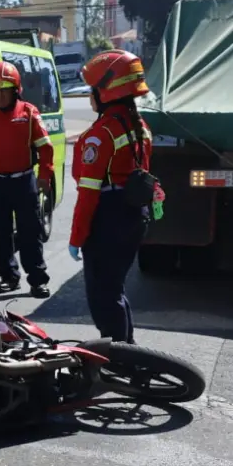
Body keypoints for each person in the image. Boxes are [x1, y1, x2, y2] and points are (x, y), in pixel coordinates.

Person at [69, 49, 156, 344]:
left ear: (105, 92)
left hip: (108, 219)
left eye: (92, 90)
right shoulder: (140, 128)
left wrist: (77, 237)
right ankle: (126, 348)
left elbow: (88, 194)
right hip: (133, 215)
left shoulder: (101, 134)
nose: (90, 97)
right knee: (115, 289)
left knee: (103, 296)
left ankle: (119, 355)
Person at [0, 60, 53, 298]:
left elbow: (45, 148)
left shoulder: (29, 113)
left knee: (30, 231)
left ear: (15, 90)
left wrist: (45, 175)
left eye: (4, 89)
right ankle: (8, 277)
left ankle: (37, 280)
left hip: (24, 181)